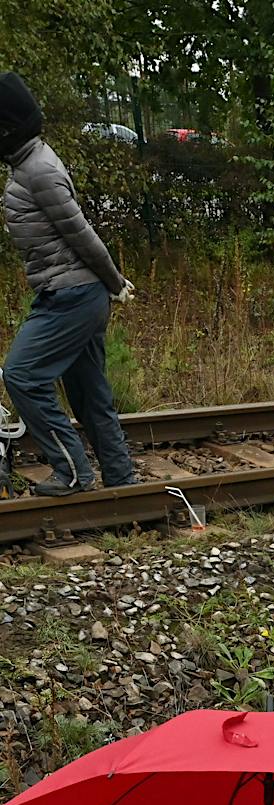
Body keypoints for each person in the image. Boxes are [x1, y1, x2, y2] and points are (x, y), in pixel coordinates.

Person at [0, 74, 138, 495]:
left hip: (73, 296)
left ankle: (74, 473)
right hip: (70, 292)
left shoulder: (38, 170)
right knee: (89, 394)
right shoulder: (31, 162)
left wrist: (114, 282)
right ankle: (121, 486)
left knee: (22, 375)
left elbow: (82, 234)